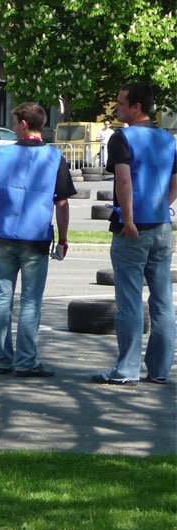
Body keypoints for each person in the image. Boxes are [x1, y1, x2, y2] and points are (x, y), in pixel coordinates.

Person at [0, 102, 74, 378]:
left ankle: (2, 359)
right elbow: (62, 203)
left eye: (16, 122)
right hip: (37, 240)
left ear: (24, 124)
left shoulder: (3, 155)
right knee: (31, 301)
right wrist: (63, 239)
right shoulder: (55, 157)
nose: (15, 127)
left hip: (5, 236)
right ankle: (26, 361)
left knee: (2, 298)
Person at [92, 82, 177, 386]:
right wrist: (161, 207)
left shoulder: (122, 138)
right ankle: (159, 370)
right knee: (163, 300)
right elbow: (175, 181)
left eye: (120, 102)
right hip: (162, 226)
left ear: (136, 107)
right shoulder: (168, 139)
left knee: (129, 300)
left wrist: (129, 220)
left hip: (134, 228)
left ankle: (127, 368)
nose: (116, 107)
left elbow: (124, 182)